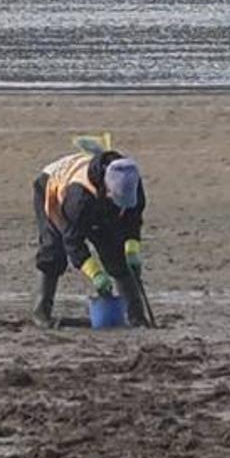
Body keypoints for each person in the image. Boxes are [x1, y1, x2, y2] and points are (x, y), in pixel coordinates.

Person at [30, 134, 152, 328]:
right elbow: (73, 241)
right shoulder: (78, 200)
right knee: (53, 252)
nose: (122, 209)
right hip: (52, 189)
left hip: (98, 204)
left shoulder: (132, 182)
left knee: (116, 255)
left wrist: (132, 250)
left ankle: (137, 317)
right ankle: (41, 313)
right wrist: (96, 274)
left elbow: (132, 220)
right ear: (107, 190)